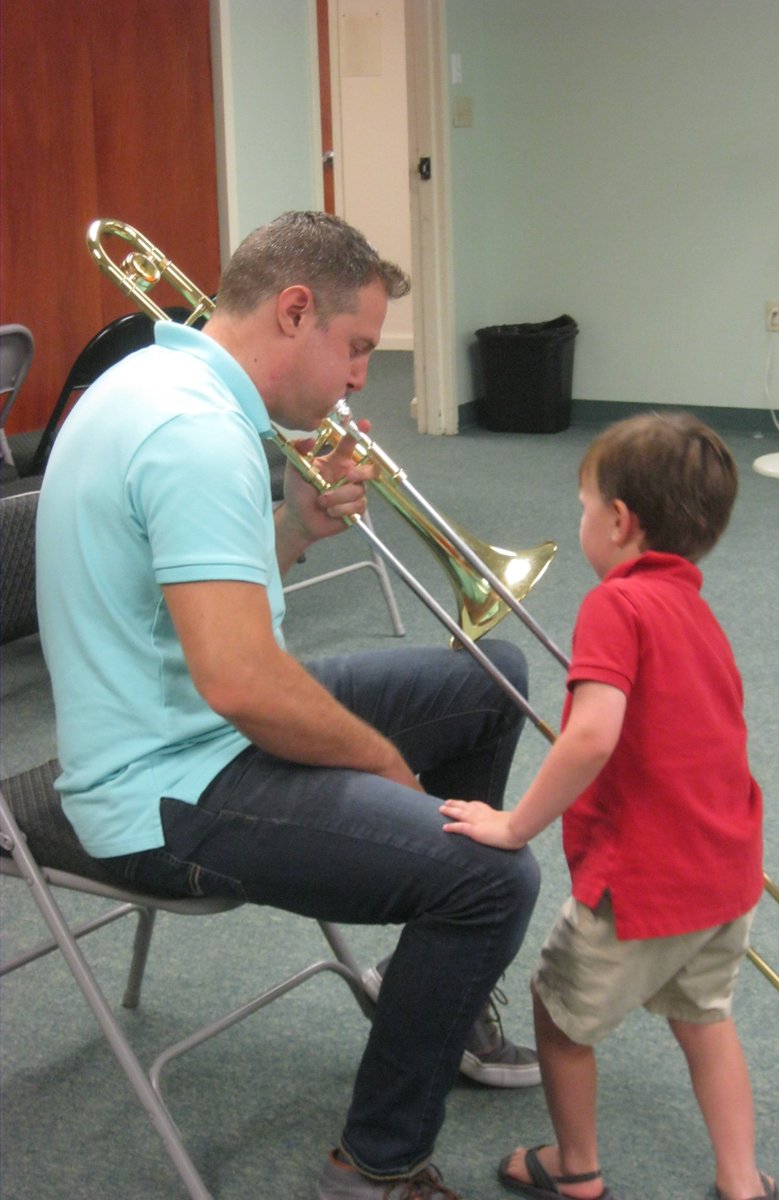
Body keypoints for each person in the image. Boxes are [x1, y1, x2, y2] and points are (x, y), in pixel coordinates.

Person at [35, 211, 541, 1200]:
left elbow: (184, 613)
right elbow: (240, 680)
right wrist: (383, 767)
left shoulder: (154, 377)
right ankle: (378, 1169)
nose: (360, 377)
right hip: (163, 784)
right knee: (489, 877)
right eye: (355, 347)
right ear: (296, 310)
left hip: (184, 715)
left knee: (491, 679)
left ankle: (428, 988)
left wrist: (295, 530)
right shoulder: (195, 430)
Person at [441, 413, 776, 1200]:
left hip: (642, 882)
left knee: (557, 1018)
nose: (583, 520)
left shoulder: (616, 608)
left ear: (620, 522)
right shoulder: (700, 614)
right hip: (726, 878)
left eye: (584, 506)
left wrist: (515, 823)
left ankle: (576, 1170)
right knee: (705, 1021)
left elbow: (590, 738)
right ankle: (740, 1182)